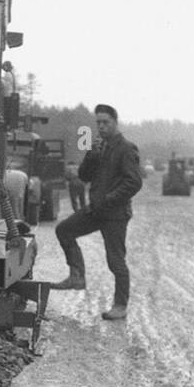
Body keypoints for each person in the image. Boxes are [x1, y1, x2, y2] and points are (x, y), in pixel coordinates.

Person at [52, 104, 142, 320]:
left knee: (115, 261)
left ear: (115, 122)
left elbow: (134, 182)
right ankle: (77, 276)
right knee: (64, 230)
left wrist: (109, 199)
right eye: (98, 123)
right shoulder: (99, 148)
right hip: (96, 210)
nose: (101, 126)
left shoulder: (126, 148)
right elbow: (83, 176)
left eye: (105, 122)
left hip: (115, 214)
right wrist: (91, 155)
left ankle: (120, 306)